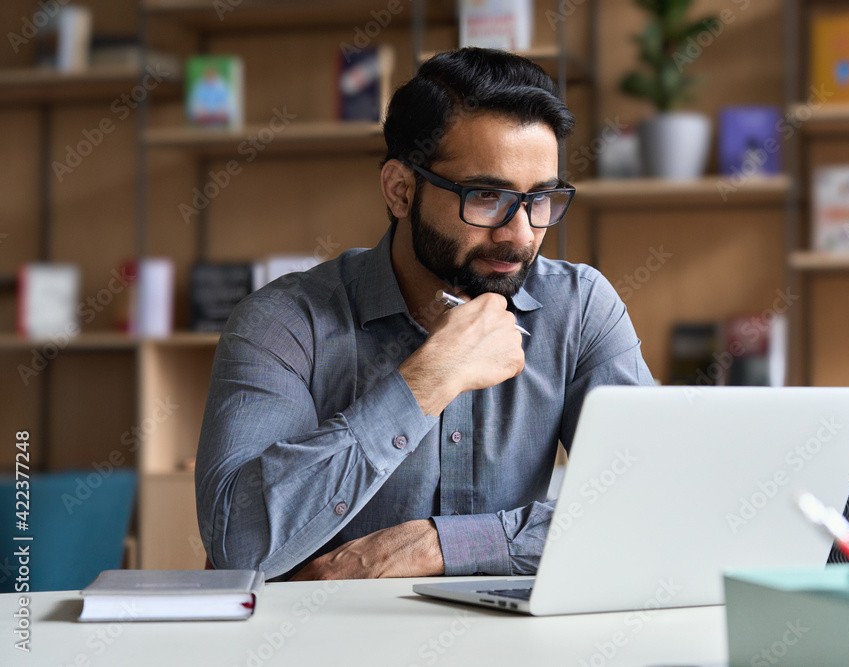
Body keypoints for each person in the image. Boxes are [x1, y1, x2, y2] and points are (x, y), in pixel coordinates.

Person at [195, 47, 655, 581]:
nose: (522, 234)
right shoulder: (283, 323)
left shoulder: (579, 309)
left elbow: (653, 506)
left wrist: (437, 546)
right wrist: (428, 379)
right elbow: (239, 545)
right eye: (486, 196)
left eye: (541, 199)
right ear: (400, 190)